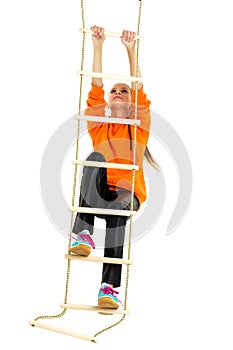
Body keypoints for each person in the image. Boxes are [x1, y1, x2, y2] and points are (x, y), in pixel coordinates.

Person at [69, 25, 158, 310]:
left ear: (130, 101)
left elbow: (140, 92)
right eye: (114, 90)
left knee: (118, 215)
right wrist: (97, 46)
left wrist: (130, 50)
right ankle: (83, 233)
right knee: (94, 158)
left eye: (123, 90)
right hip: (98, 193)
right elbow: (94, 89)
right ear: (109, 101)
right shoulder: (100, 126)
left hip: (126, 194)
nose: (118, 92)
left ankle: (108, 289)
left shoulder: (138, 127)